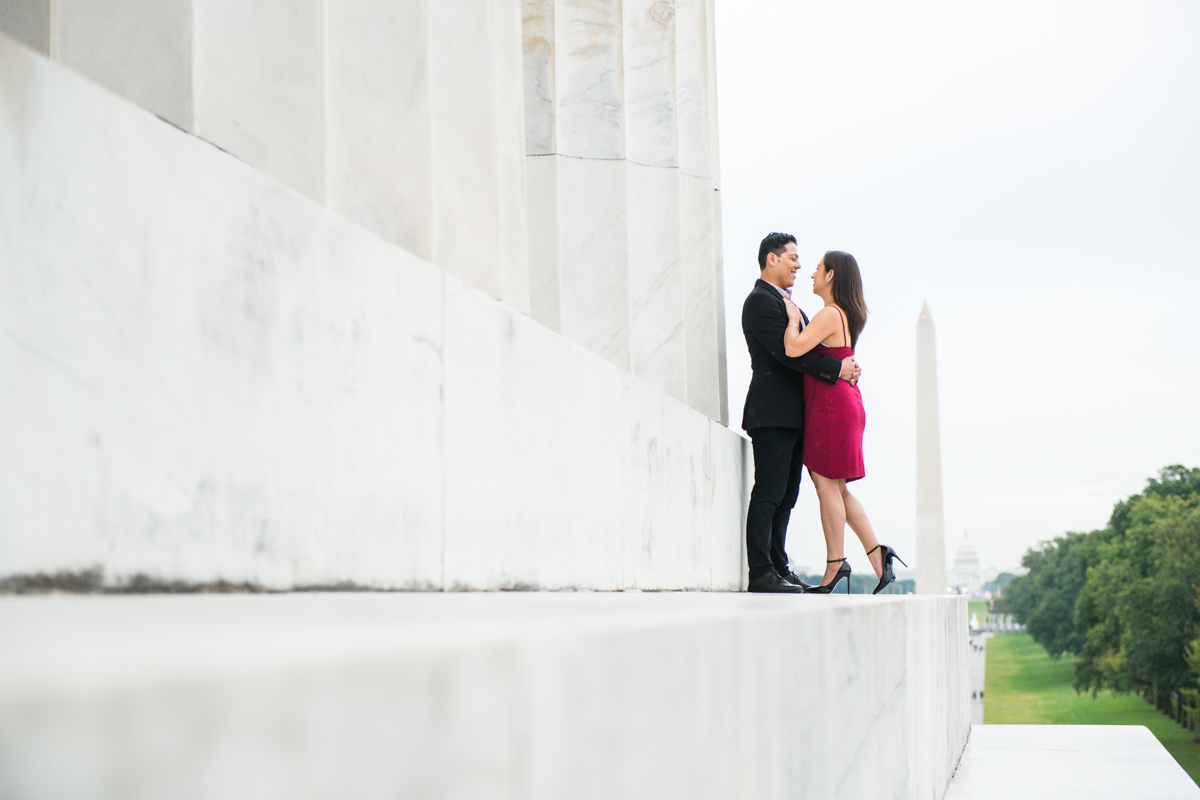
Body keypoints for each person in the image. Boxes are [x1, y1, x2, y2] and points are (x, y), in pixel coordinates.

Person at [740, 233, 861, 593]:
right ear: (771, 259)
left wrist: (843, 364)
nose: (799, 265)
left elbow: (811, 347)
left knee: (787, 496)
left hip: (795, 415)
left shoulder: (793, 307)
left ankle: (778, 566)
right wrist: (836, 368)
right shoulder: (760, 302)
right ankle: (760, 572)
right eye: (792, 257)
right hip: (772, 412)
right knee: (769, 493)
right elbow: (787, 352)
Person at [781, 251, 905, 594]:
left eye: (818, 269)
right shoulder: (843, 315)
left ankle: (835, 564)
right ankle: (878, 556)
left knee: (826, 488)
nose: (811, 274)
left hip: (830, 407)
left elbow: (792, 349)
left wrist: (793, 317)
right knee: (837, 488)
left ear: (832, 275)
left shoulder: (829, 314)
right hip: (842, 404)